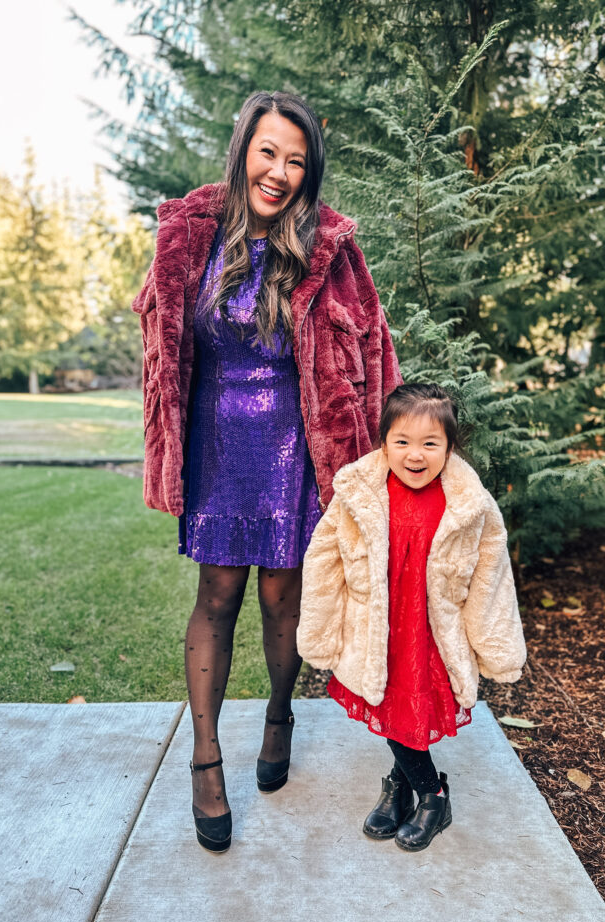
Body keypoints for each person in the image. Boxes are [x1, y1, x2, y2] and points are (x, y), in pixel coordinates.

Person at [132, 91, 402, 853]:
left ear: (308, 171)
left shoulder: (329, 248)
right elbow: (158, 317)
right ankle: (206, 758)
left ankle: (279, 713)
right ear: (242, 149)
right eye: (268, 153)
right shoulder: (194, 236)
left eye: (295, 159)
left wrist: (380, 454)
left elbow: (374, 348)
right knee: (216, 595)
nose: (279, 172)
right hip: (217, 442)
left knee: (284, 598)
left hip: (294, 444)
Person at [297, 383, 526, 851]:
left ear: (450, 445)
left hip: (429, 638)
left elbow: (491, 578)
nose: (415, 455)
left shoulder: (469, 504)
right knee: (392, 712)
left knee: (407, 716)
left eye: (430, 443)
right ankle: (412, 786)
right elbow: (323, 561)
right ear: (384, 442)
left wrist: (495, 647)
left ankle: (430, 794)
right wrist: (321, 629)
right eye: (402, 441)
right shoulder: (359, 493)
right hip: (378, 631)